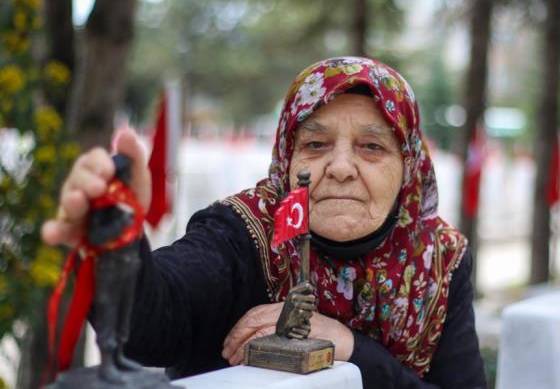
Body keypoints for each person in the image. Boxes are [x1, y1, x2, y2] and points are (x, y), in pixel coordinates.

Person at [42, 57, 487, 389]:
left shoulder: (438, 259)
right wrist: (117, 238)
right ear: (286, 159)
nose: (341, 167)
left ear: (407, 166)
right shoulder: (242, 232)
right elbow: (152, 320)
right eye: (315, 143)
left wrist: (349, 349)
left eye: (372, 147)